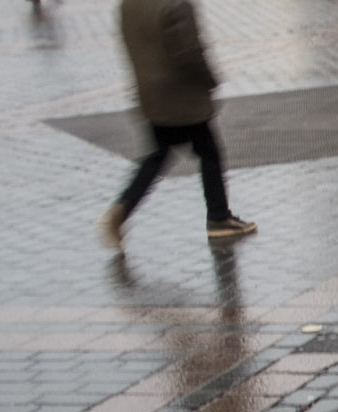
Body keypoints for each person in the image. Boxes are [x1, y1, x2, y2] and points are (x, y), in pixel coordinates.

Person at [99, 0, 255, 253]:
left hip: (152, 95)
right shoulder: (176, 5)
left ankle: (121, 210)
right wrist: (210, 80)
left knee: (158, 155)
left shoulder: (129, 4)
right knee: (209, 152)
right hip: (182, 96)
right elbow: (189, 53)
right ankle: (218, 218)